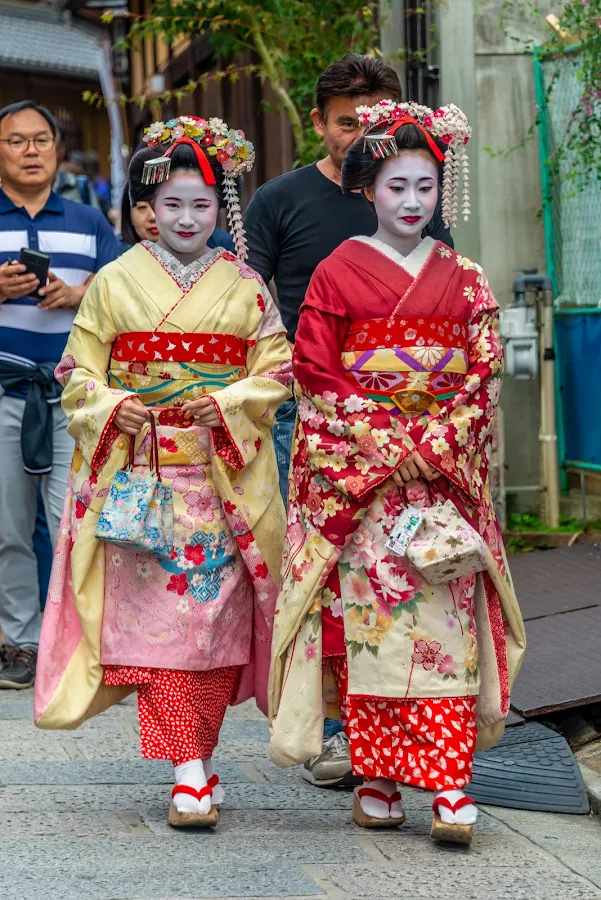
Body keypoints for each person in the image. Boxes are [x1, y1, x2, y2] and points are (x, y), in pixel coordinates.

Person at [269, 100, 526, 846]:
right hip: (369, 486)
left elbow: (480, 378)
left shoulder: (466, 278)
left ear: (441, 189)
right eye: (395, 188)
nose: (411, 202)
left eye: (423, 187)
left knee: (445, 627)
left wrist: (434, 442)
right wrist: (387, 440)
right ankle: (377, 776)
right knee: (374, 629)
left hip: (438, 484)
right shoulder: (335, 272)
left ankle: (448, 781)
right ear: (366, 191)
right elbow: (314, 370)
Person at [34, 114, 292, 829]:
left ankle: (196, 760)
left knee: (210, 632)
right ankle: (189, 771)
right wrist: (115, 404)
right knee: (163, 637)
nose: (185, 217)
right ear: (147, 210)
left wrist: (230, 399)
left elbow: (277, 366)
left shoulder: (243, 285)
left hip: (220, 482)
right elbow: (76, 370)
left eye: (201, 204)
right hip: (142, 483)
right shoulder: (116, 282)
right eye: (171, 204)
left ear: (221, 209)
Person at [246, 53, 454, 787]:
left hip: (417, 426)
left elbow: (449, 312)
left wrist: (428, 421)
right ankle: (335, 727)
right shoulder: (278, 199)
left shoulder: (415, 202)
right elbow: (253, 299)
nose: (364, 134)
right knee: (324, 570)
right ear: (317, 123)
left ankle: (419, 717)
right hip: (314, 408)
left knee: (409, 570)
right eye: (347, 123)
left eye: (379, 118)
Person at [0, 100, 119, 689]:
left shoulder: (88, 220)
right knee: (8, 526)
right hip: (4, 391)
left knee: (76, 521)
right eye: (17, 141)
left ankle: (79, 643)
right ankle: (21, 643)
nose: (30, 151)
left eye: (40, 140)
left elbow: (125, 289)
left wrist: (80, 294)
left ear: (56, 147)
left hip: (74, 398)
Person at [119, 182, 234, 254]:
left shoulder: (221, 245)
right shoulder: (116, 256)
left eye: (172, 205)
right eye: (142, 207)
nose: (153, 216)